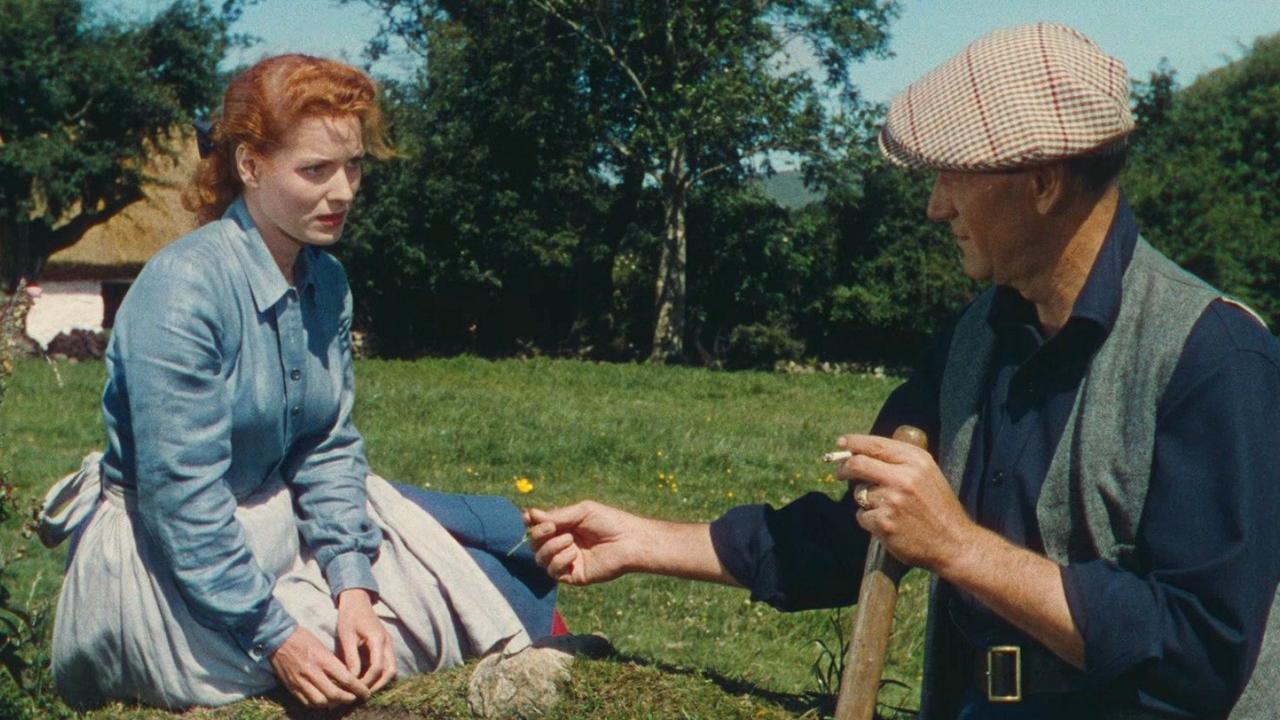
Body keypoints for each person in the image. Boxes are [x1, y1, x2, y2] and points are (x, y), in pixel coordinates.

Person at [525, 23, 1280, 719]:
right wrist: (643, 541)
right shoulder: (978, 337)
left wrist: (958, 547)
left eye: (955, 176)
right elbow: (863, 530)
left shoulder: (1214, 358)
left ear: (1044, 182)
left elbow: (1199, 653)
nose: (934, 207)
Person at [38, 54, 559, 711]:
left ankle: (561, 661)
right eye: (315, 170)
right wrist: (276, 637)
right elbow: (182, 503)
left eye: (354, 166)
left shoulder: (325, 281)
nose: (342, 192)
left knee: (500, 567)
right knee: (359, 669)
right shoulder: (184, 288)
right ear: (251, 166)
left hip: (277, 528)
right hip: (165, 564)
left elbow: (327, 446)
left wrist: (353, 587)